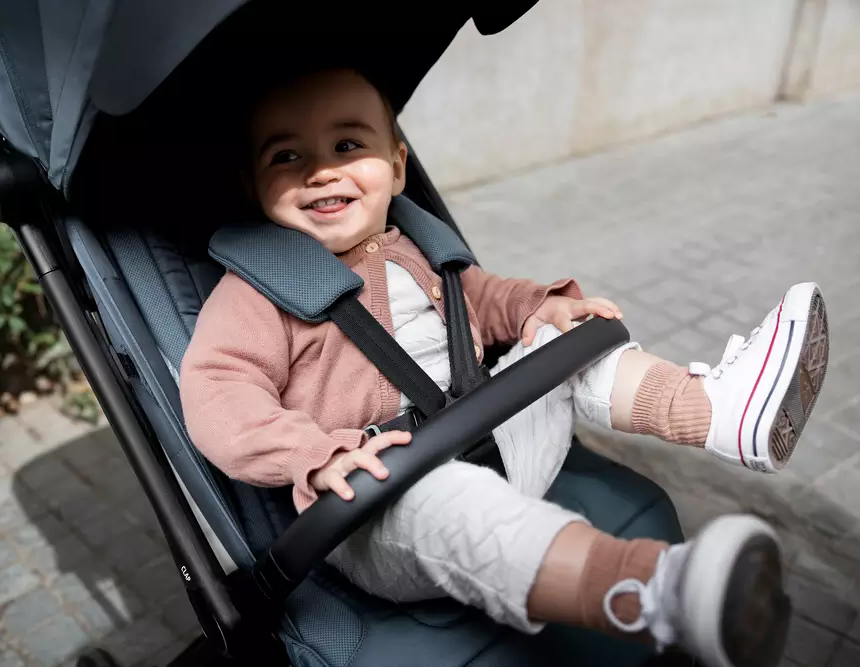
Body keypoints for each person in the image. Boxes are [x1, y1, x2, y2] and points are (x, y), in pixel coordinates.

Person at [180, 67, 829, 667]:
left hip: (490, 436)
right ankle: (659, 592)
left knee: (567, 347)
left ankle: (719, 411)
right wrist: (315, 455)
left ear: (398, 167)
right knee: (465, 508)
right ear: (252, 186)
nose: (322, 171)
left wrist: (540, 309)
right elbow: (218, 392)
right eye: (286, 157)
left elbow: (485, 299)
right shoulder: (256, 292)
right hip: (383, 507)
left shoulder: (418, 246)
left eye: (348, 145)